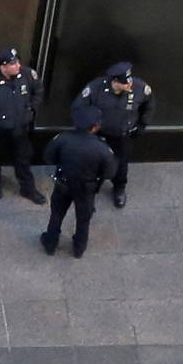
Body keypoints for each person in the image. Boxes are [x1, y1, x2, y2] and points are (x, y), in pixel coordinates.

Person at [39, 107, 118, 261]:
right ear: (95, 126)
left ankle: (50, 243)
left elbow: (48, 157)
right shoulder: (103, 149)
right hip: (86, 189)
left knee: (56, 214)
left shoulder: (62, 138)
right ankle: (79, 248)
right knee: (83, 219)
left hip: (64, 184)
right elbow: (109, 173)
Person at [74, 60, 153, 209]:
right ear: (115, 81)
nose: (129, 85)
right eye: (125, 83)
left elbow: (149, 104)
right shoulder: (96, 88)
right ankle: (90, 188)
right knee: (92, 161)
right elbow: (79, 107)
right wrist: (85, 128)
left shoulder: (139, 88)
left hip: (122, 135)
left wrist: (142, 125)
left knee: (121, 164)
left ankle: (119, 188)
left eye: (129, 81)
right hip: (99, 133)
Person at [0, 48, 46, 204]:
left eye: (17, 61)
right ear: (3, 67)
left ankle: (27, 188)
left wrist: (31, 109)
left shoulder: (27, 75)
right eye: (13, 64)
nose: (18, 65)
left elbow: (38, 91)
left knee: (23, 159)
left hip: (20, 128)